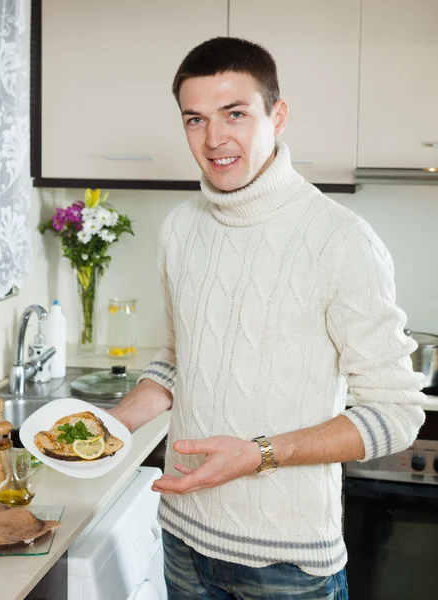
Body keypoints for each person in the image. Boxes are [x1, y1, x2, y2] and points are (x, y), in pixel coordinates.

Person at [109, 37, 426, 599]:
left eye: (235, 114)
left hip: (287, 563)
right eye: (195, 120)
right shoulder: (180, 228)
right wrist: (109, 425)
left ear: (277, 116)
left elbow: (397, 414)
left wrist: (259, 455)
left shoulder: (341, 240)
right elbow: (181, 359)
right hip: (182, 536)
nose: (214, 139)